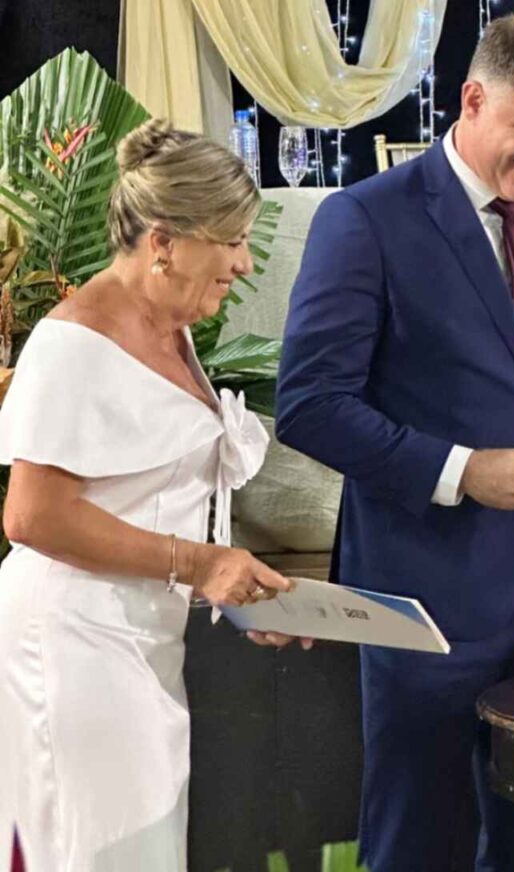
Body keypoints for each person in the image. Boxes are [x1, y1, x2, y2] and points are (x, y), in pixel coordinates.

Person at [276, 13, 514, 871]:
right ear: (473, 99)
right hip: (424, 603)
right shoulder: (366, 219)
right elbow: (311, 404)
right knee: (421, 845)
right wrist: (460, 471)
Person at [0, 118, 305, 872]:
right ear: (163, 242)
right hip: (72, 642)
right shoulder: (72, 341)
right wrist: (200, 565)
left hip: (141, 638)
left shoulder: (171, 329)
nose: (244, 263)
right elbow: (31, 515)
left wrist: (238, 590)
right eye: (231, 241)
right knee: (97, 851)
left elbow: (148, 495)